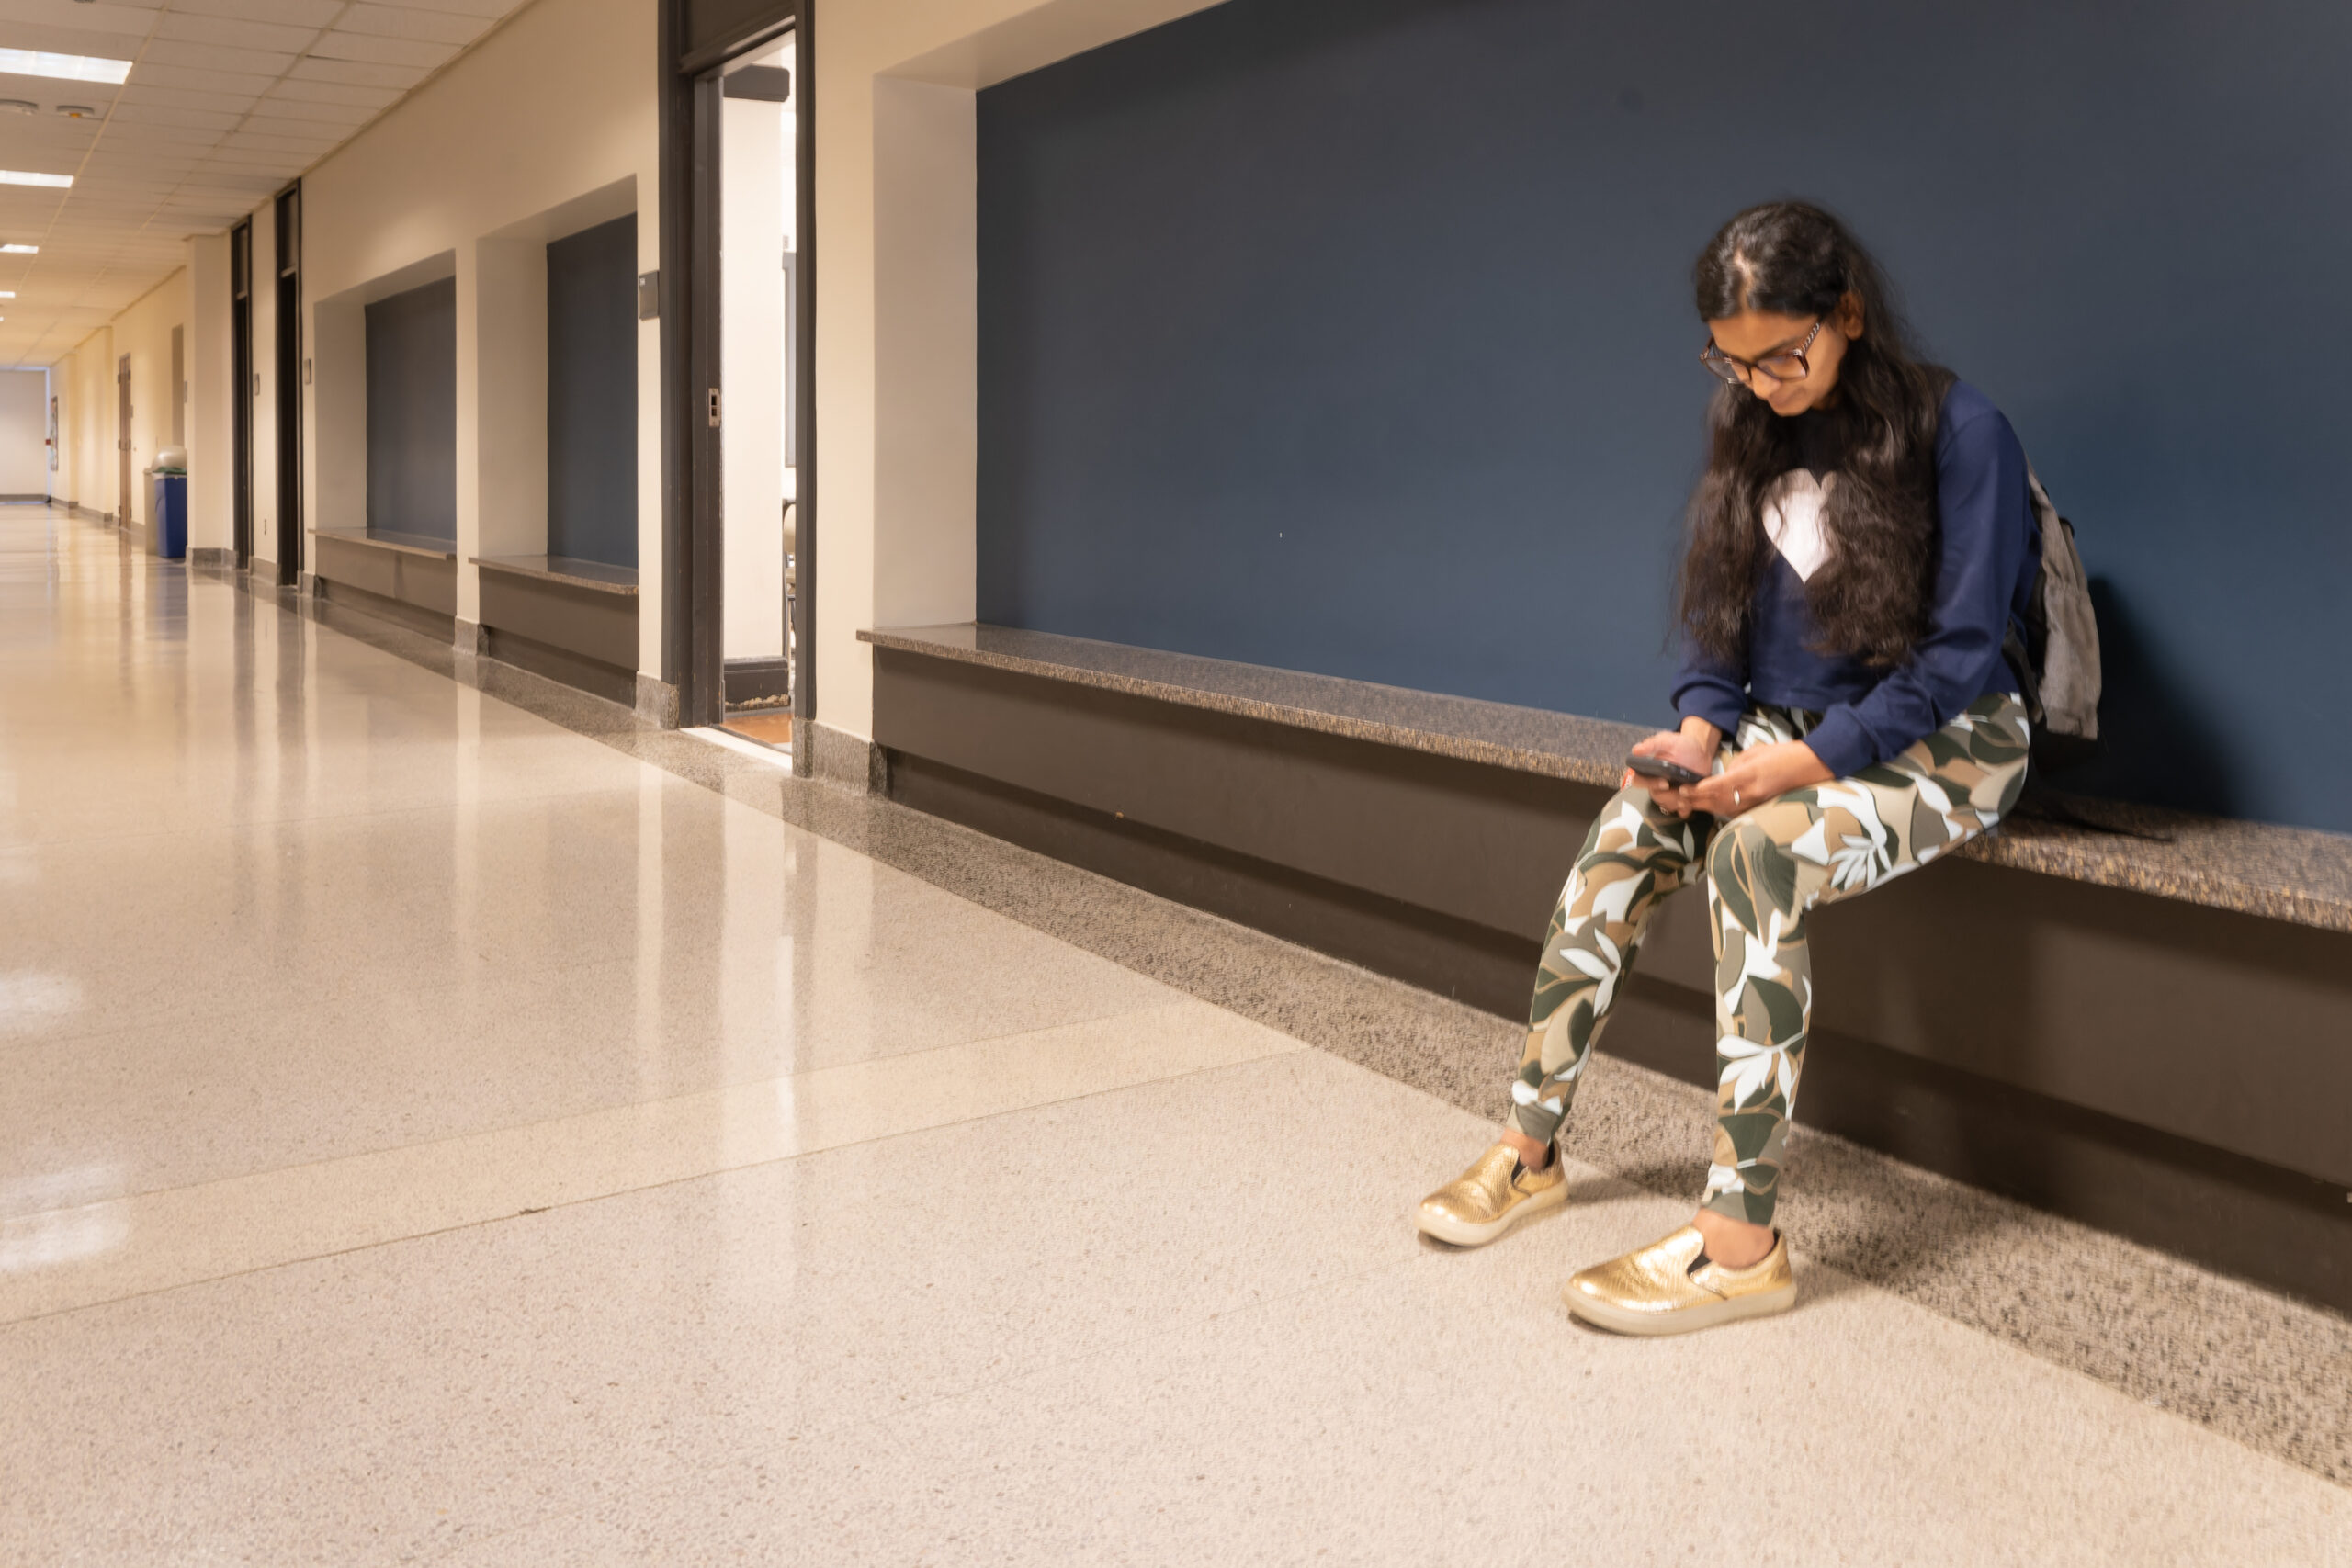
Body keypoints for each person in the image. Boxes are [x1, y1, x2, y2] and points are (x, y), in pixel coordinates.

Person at [1415, 200, 2039, 1336]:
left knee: (1753, 856)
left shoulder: (1964, 430)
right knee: (1625, 831)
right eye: (1732, 361)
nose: (1759, 383)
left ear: (1847, 314)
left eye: (1782, 355)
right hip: (1789, 728)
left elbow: (1955, 664)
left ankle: (1742, 1240)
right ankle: (1528, 1147)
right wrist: (1700, 733)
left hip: (1953, 744)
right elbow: (1722, 622)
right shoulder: (1749, 426)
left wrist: (1795, 767)